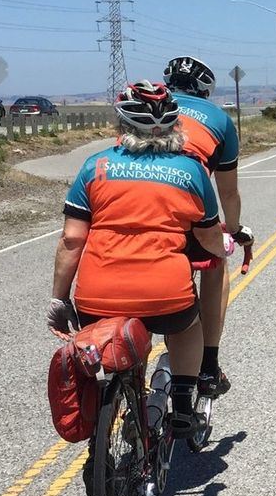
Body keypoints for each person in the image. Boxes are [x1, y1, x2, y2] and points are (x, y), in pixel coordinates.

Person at [47, 81, 228, 436]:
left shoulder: (95, 166)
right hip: (166, 296)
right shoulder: (191, 170)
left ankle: (118, 404)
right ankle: (181, 404)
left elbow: (72, 239)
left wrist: (58, 299)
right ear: (175, 126)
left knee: (117, 337)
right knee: (188, 326)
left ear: (122, 125)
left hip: (97, 298)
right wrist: (222, 249)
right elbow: (208, 237)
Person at [162, 55, 252, 400]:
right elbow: (228, 191)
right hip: (188, 202)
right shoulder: (218, 119)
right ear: (205, 90)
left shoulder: (145, 108)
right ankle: (208, 365)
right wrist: (234, 228)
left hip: (132, 201)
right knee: (216, 263)